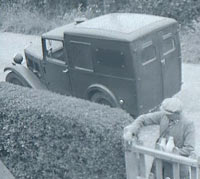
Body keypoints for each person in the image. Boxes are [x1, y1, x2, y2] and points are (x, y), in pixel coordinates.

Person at [123, 97, 195, 179]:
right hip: (159, 164)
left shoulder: (188, 124)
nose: (166, 116)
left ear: (176, 114)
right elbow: (143, 119)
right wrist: (131, 131)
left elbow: (189, 148)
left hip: (177, 168)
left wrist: (173, 153)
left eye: (168, 115)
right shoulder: (163, 116)